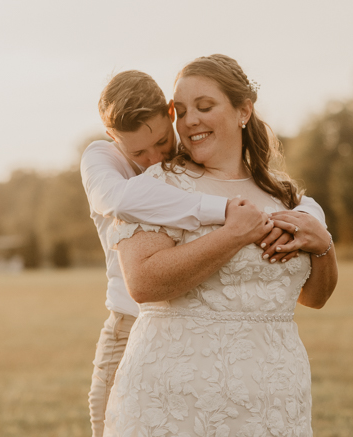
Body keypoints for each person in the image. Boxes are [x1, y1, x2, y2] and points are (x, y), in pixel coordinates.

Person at [80, 70, 329, 437]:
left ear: (169, 115)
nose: (152, 158)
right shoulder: (117, 167)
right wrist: (226, 213)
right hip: (132, 324)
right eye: (138, 152)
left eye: (162, 142)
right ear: (113, 139)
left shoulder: (194, 154)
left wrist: (312, 219)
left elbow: (284, 196)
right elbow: (117, 199)